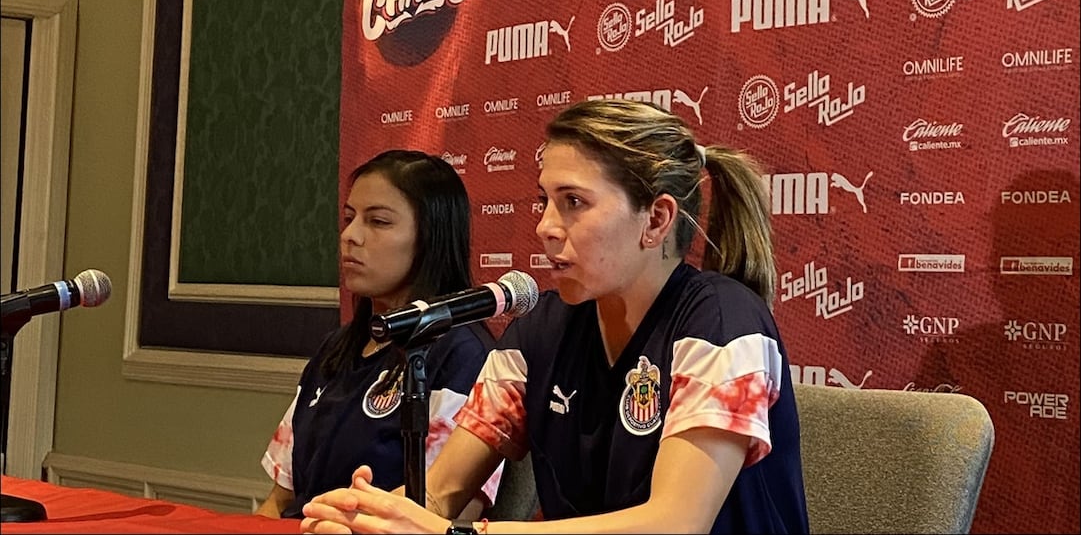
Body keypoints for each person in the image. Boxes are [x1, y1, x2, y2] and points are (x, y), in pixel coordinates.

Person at [299, 99, 809, 534]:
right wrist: (371, 517)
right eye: (544, 200)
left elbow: (674, 523)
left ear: (656, 219)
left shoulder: (723, 321)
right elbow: (441, 493)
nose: (545, 226)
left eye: (574, 202)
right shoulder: (538, 331)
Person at [256, 150, 502, 519]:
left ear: (430, 238)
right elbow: (279, 501)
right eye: (349, 218)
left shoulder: (463, 354)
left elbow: (448, 511)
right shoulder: (336, 348)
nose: (350, 236)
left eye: (378, 222)